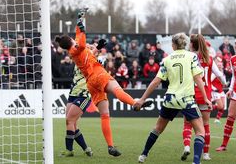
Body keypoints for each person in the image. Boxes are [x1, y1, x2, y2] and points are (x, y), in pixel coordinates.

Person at [56, 10, 152, 156]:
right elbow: (81, 43)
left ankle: (110, 146)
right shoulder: (76, 49)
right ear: (71, 42)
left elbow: (85, 48)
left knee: (105, 115)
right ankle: (134, 103)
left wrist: (81, 23)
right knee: (117, 90)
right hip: (98, 74)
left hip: (90, 83)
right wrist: (81, 29)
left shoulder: (75, 51)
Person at [134, 32, 211, 164]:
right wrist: (206, 98)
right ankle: (196, 162)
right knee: (200, 131)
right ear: (185, 44)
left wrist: (141, 99)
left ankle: (143, 155)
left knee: (157, 128)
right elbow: (198, 78)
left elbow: (156, 81)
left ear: (173, 45)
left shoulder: (167, 59)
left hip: (170, 99)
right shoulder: (192, 56)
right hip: (186, 99)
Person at [181, 34, 226, 161]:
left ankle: (186, 147)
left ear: (192, 44)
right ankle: (205, 154)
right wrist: (224, 83)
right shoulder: (210, 59)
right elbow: (220, 75)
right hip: (205, 95)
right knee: (205, 125)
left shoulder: (188, 58)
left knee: (187, 123)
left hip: (191, 94)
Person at [62, 64, 93, 157]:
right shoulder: (77, 57)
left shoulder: (91, 59)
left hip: (84, 95)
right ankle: (86, 149)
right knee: (72, 123)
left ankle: (69, 150)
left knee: (69, 121)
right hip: (73, 93)